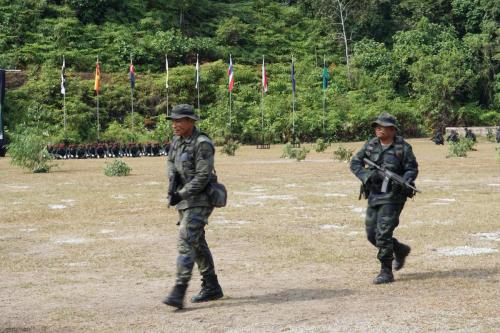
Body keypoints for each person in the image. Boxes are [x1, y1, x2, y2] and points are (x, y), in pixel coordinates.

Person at [162, 104, 223, 309]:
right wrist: (173, 180)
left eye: (179, 121)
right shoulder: (177, 141)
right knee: (196, 242)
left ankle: (179, 290)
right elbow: (170, 161)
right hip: (184, 200)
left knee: (186, 239)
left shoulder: (202, 143)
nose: (175, 125)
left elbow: (203, 176)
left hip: (200, 199)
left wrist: (181, 193)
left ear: (190, 121)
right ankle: (212, 286)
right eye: (174, 121)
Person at [350, 112, 419, 284]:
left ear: (392, 130)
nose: (378, 129)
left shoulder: (403, 148)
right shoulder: (371, 145)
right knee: (372, 234)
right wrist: (368, 175)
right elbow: (355, 163)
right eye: (377, 126)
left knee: (383, 233)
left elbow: (412, 168)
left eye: (382, 126)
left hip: (393, 196)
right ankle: (400, 249)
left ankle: (386, 271)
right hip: (374, 194)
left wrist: (406, 179)